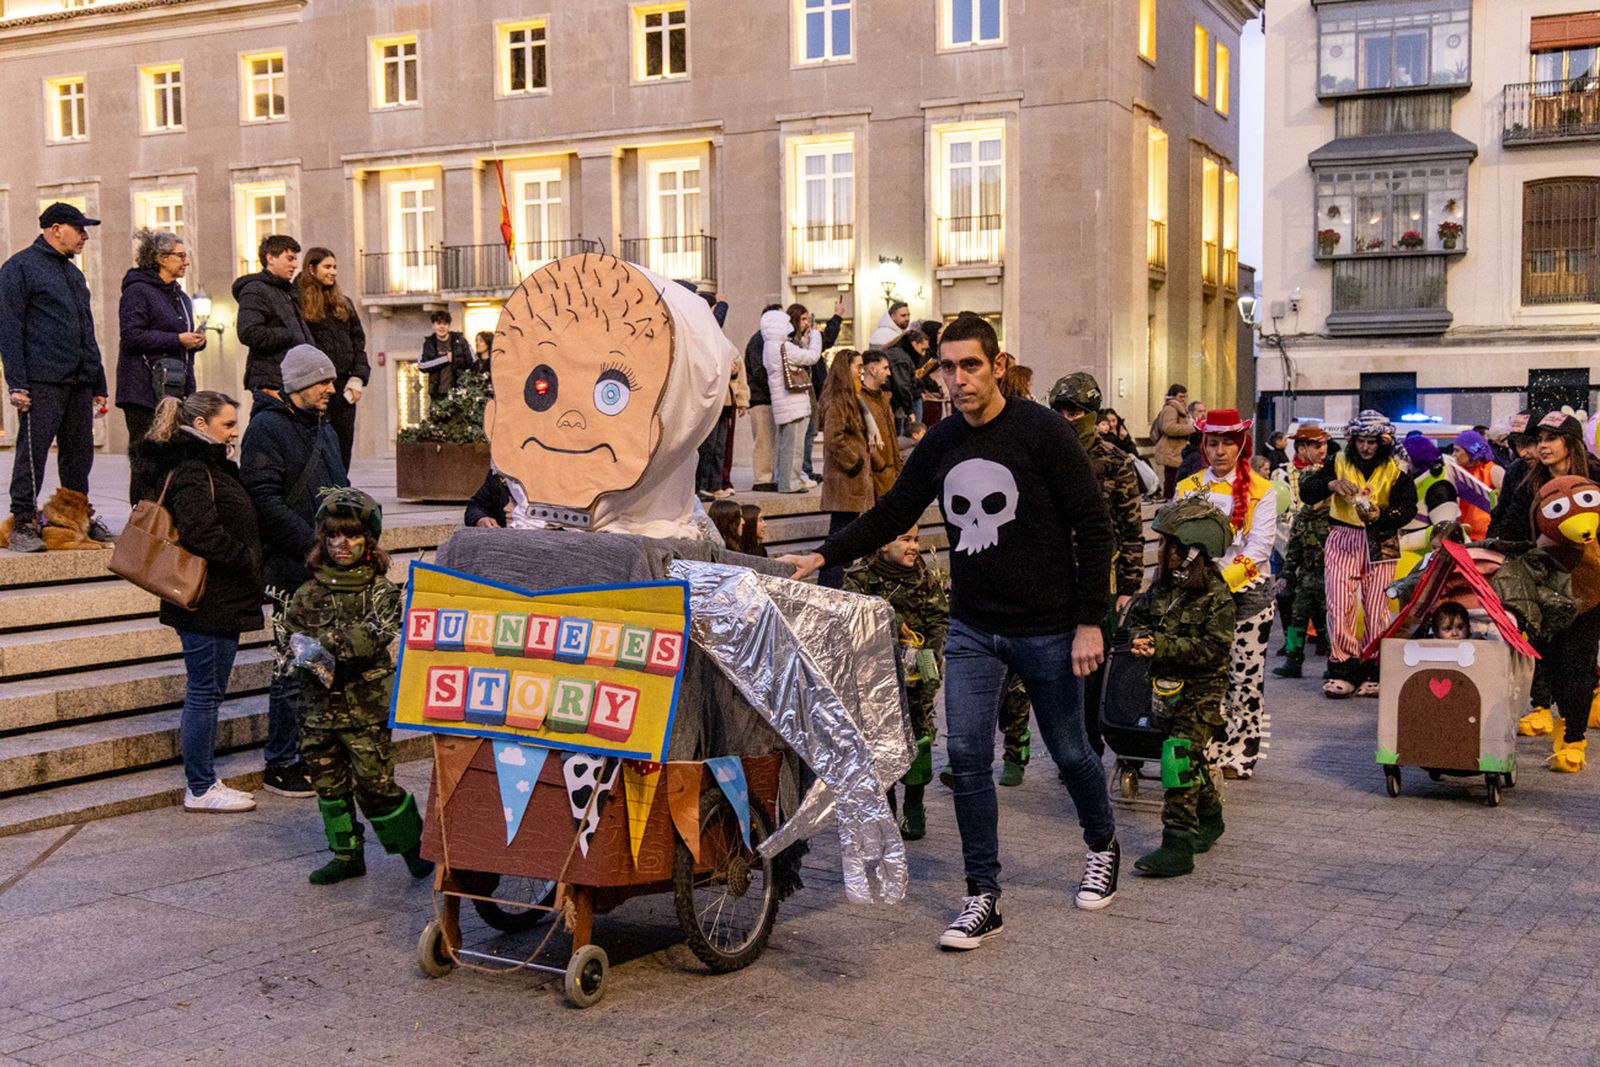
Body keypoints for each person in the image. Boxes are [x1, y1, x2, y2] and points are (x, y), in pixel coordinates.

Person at [782, 313, 1119, 950]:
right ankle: (982, 894)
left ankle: (1102, 843)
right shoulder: (940, 443)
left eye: (970, 366)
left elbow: (1094, 527)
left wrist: (1089, 621)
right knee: (965, 758)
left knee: (1072, 751)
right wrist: (823, 556)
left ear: (996, 365)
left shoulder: (1043, 432)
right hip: (972, 627)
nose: (958, 380)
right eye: (947, 367)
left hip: (1050, 629)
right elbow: (891, 513)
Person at [283, 488, 433, 884]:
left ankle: (412, 847)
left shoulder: (380, 592)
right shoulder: (306, 592)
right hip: (318, 710)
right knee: (329, 785)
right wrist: (299, 656)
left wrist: (325, 643)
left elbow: (371, 639)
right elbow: (291, 642)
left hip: (365, 709)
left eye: (351, 535)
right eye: (332, 536)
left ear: (369, 540)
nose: (341, 544)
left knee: (375, 785)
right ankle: (346, 854)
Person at [129, 391, 263, 813]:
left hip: (219, 598)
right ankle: (201, 786)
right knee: (205, 693)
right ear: (200, 425)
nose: (234, 431)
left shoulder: (207, 464)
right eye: (226, 424)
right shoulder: (192, 468)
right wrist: (247, 560)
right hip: (207, 599)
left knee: (208, 691)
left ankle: (205, 781)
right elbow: (201, 533)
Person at [239, 344, 350, 798]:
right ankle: (281, 761)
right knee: (290, 668)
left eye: (331, 380)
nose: (331, 388)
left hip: (327, 568)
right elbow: (261, 500)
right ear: (299, 384)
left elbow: (338, 489)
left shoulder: (324, 428)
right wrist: (312, 544)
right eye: (323, 382)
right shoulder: (266, 428)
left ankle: (311, 752)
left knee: (319, 666)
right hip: (290, 570)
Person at [1125, 496, 1236, 876]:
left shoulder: (1216, 596)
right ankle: (1210, 814)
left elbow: (1214, 647)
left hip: (1202, 690)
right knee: (1190, 758)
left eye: (1170, 544)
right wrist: (1141, 636)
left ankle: (1178, 843)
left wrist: (1164, 646)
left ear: (1193, 552)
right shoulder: (1162, 589)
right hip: (1166, 688)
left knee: (1177, 757)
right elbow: (1138, 615)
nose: (1163, 551)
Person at [0, 203, 114, 553]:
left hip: (78, 380)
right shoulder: (19, 268)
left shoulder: (73, 274)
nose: (85, 236)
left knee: (79, 456)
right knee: (32, 454)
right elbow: (9, 329)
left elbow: (86, 330)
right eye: (79, 229)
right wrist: (17, 383)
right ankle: (22, 521)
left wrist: (98, 384)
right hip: (41, 380)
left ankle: (78, 518)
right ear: (55, 229)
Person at [1488, 412, 1600, 756]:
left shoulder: (1595, 475)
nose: (1543, 446)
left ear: (1571, 442)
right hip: (1542, 584)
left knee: (1578, 661)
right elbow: (1507, 526)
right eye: (1539, 440)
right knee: (1549, 660)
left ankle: (1574, 740)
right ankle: (1562, 717)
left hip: (1589, 584)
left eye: (1551, 439)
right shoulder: (1524, 476)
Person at [1175, 409, 1278, 778]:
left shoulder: (1262, 490)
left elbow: (1260, 548)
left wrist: (1219, 582)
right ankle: (1210, 747)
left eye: (1228, 443)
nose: (1220, 450)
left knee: (1244, 679)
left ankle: (1242, 753)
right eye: (1213, 442)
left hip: (1247, 598)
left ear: (1241, 445)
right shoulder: (1187, 488)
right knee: (1206, 677)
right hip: (1199, 595)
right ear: (1204, 445)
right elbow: (1177, 540)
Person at [1048, 372, 1145, 760]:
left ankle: (1089, 745)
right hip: (1051, 576)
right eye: (1061, 410)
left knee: (1091, 668)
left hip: (1098, 579)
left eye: (1076, 411)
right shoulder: (1042, 454)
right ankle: (1065, 745)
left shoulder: (1115, 461)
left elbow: (1131, 526)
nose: (1068, 418)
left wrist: (1128, 585)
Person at [1299, 411, 1417, 700]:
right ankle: (1342, 668)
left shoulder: (1397, 467)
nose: (1366, 447)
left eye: (1372, 442)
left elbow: (1408, 508)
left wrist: (1382, 514)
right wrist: (1330, 484)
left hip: (1382, 538)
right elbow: (1307, 492)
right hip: (1344, 536)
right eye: (1361, 441)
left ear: (1383, 442)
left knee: (1377, 606)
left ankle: (1374, 668)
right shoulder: (1337, 461)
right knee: (1339, 605)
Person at [845, 525, 947, 842]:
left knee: (919, 742)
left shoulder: (923, 577)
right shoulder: (860, 578)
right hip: (874, 681)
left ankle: (914, 808)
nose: (914, 547)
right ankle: (886, 813)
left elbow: (938, 618)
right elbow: (849, 623)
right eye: (905, 540)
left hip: (916, 681)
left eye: (916, 540)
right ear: (882, 544)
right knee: (880, 747)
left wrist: (930, 656)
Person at [116, 228, 203, 456]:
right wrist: (177, 340)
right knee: (146, 458)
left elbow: (183, 346)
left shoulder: (181, 297)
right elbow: (132, 336)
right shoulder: (138, 291)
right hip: (143, 392)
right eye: (181, 256)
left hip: (175, 390)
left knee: (173, 457)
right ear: (161, 259)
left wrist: (195, 341)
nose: (187, 262)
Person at [295, 248, 369, 471]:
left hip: (344, 387)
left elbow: (359, 342)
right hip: (316, 388)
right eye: (327, 267)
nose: (333, 272)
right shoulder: (298, 302)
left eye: (335, 267)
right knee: (318, 446)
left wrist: (358, 378)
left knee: (343, 445)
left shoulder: (343, 302)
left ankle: (340, 493)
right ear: (311, 268)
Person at [1273, 424, 1333, 679]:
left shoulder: (1332, 511)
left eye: (1324, 445)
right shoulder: (1285, 476)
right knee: (1298, 618)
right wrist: (1286, 573)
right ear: (1301, 447)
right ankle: (1293, 659)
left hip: (1329, 574)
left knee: (1326, 621)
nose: (1323, 450)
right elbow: (1294, 544)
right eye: (1316, 445)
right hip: (1306, 575)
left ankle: (1335, 662)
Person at [818, 349, 882, 588]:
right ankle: (830, 585)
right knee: (840, 537)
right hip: (844, 479)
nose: (862, 371)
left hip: (851, 480)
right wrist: (854, 462)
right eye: (858, 366)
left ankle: (837, 584)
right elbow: (834, 437)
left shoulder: (854, 397)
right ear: (846, 369)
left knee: (844, 535)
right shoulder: (838, 398)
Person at [235, 234, 312, 393]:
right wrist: (287, 335)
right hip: (272, 380)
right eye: (289, 258)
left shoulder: (286, 292)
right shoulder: (255, 290)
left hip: (290, 376)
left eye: (295, 259)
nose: (295, 265)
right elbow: (248, 332)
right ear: (271, 258)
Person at [761, 306, 821, 494]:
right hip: (793, 403)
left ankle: (785, 480)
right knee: (794, 446)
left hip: (783, 403)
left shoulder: (769, 347)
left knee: (786, 446)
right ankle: (791, 483)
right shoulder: (784, 347)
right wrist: (816, 337)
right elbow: (812, 357)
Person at [696, 303, 748, 502]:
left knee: (720, 446)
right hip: (712, 398)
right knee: (708, 446)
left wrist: (742, 399)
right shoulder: (703, 338)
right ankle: (702, 485)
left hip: (726, 399)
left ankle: (715, 484)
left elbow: (737, 365)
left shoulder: (722, 340)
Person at [800, 302, 844, 483]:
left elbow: (828, 338)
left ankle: (806, 469)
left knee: (810, 433)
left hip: (815, 393)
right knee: (804, 435)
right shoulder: (794, 343)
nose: (807, 323)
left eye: (808, 320)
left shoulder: (811, 341)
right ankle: (802, 470)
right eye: (803, 319)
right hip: (802, 394)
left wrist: (837, 316)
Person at [744, 304, 783, 492]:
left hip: (768, 397)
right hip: (761, 399)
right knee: (764, 441)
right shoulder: (759, 340)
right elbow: (760, 370)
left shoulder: (768, 340)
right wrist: (775, 388)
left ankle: (769, 475)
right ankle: (763, 478)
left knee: (771, 441)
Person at [859, 349, 902, 500]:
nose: (889, 373)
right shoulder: (860, 399)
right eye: (885, 368)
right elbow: (862, 437)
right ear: (872, 369)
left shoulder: (885, 397)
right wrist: (880, 462)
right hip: (876, 473)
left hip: (892, 472)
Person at [1451, 430, 1503, 541]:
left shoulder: (1493, 471)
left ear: (1470, 450)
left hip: (1488, 538)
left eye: (1457, 450)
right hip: (1464, 536)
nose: (1453, 455)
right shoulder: (1457, 472)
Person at [1150, 384, 1197, 497]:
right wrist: (1192, 429)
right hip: (1172, 450)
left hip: (1175, 450)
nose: (1183, 399)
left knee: (1174, 478)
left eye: (1185, 396)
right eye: (1181, 396)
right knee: (1172, 479)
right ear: (1173, 396)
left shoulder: (1177, 408)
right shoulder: (1171, 409)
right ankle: (1170, 502)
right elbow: (1168, 427)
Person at [418, 311, 474, 401]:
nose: (442, 327)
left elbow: (472, 362)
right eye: (439, 323)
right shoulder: (429, 343)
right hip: (437, 394)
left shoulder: (460, 341)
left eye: (445, 323)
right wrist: (445, 359)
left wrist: (455, 360)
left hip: (459, 393)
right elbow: (422, 365)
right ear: (433, 325)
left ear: (449, 325)